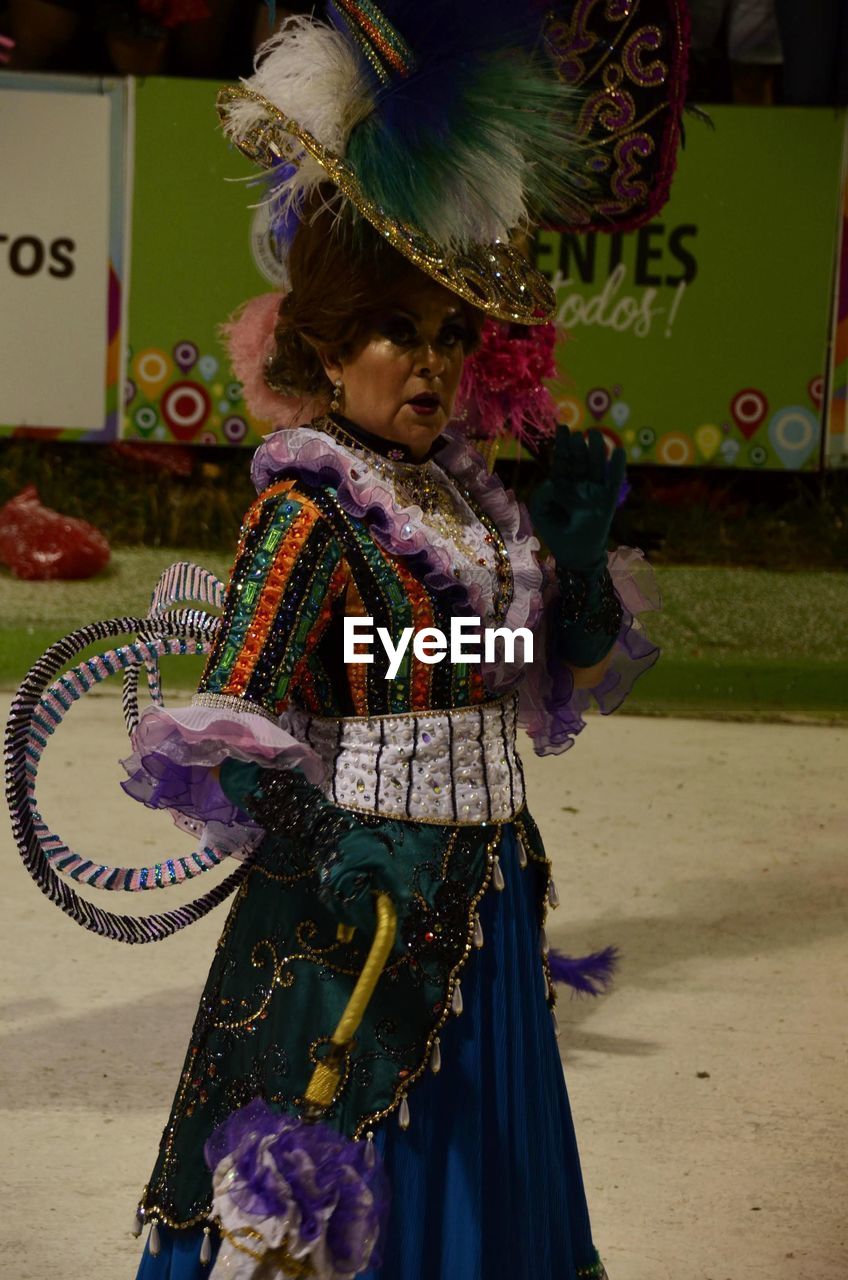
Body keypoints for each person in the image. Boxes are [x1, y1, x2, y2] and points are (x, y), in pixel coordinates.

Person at [4, 4, 686, 1278]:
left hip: (478, 905)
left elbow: (563, 680)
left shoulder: (475, 502)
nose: (427, 363)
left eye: (448, 334)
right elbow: (238, 731)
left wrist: (580, 558)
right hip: (347, 930)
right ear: (324, 343)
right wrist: (336, 850)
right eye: (396, 331)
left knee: (480, 1189)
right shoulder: (306, 508)